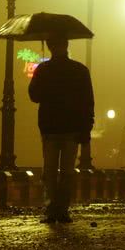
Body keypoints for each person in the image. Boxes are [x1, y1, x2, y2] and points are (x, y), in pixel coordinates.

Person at [28, 36, 94, 223]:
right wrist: (86, 127)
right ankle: (62, 209)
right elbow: (87, 101)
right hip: (71, 128)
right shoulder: (80, 70)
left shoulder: (44, 70)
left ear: (50, 48)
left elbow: (34, 96)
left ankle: (52, 208)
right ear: (66, 46)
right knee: (67, 171)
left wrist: (39, 75)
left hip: (50, 127)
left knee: (49, 171)